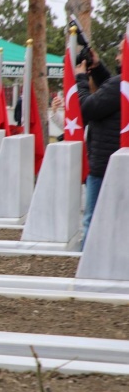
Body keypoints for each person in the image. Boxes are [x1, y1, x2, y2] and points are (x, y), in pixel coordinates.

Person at [75, 45, 122, 248]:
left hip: (103, 166)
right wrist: (98, 67)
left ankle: (88, 268)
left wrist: (80, 79)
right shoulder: (121, 84)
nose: (117, 56)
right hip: (113, 164)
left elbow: (85, 109)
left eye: (121, 51)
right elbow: (113, 96)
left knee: (92, 221)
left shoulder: (120, 84)